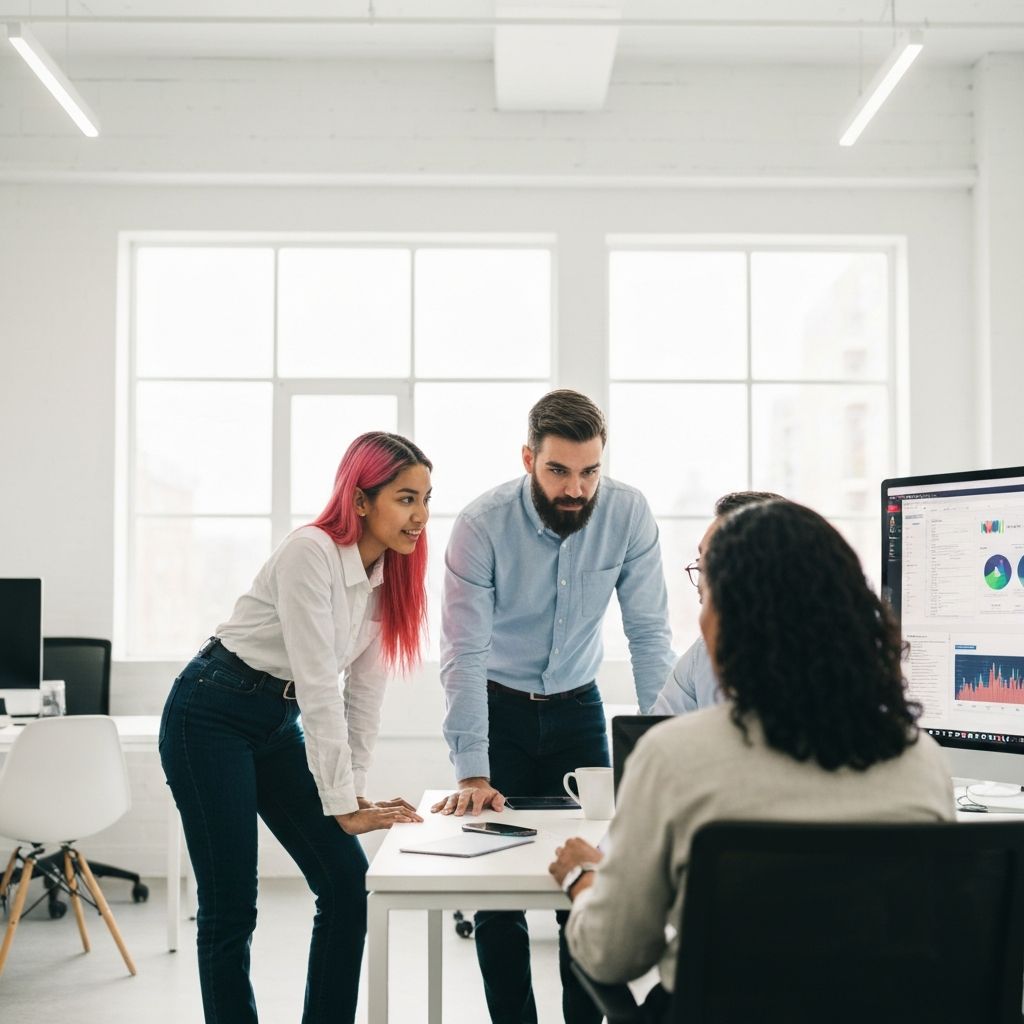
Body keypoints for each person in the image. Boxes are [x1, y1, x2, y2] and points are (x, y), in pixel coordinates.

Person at [550, 500, 954, 1022]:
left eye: (708, 595)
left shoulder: (673, 757)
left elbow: (614, 953)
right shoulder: (919, 761)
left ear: (726, 623)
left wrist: (585, 880)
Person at [160, 431, 432, 1024]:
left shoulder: (390, 580)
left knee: (345, 884)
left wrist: (352, 792)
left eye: (426, 499)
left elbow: (364, 696)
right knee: (231, 906)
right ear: (361, 500)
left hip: (276, 724)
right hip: (211, 712)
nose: (421, 516)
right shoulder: (309, 552)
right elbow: (317, 686)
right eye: (406, 498)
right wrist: (340, 803)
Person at [434, 389, 675, 1024]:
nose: (576, 489)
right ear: (528, 459)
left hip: (577, 710)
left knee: (590, 883)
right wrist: (472, 770)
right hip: (498, 706)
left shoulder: (628, 514)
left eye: (590, 471)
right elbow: (464, 649)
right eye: (559, 471)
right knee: (494, 896)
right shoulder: (481, 525)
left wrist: (661, 752)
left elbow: (649, 635)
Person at [652, 490, 783, 715]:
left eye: (713, 561)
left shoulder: (832, 657)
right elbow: (656, 726)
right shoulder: (701, 654)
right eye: (700, 561)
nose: (701, 577)